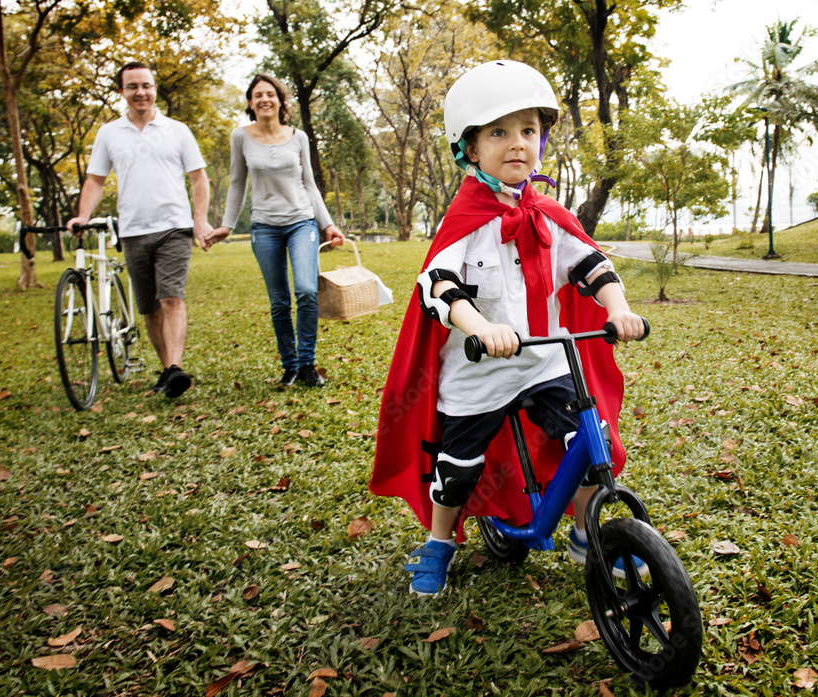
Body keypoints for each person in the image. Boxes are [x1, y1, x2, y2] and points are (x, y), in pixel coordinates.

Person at [369, 60, 647, 596]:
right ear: (470, 149)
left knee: (587, 443)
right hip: (479, 371)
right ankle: (440, 541)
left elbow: (590, 264)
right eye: (499, 132)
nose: (517, 142)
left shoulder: (546, 213)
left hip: (543, 360)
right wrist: (480, 325)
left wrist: (617, 307)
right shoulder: (465, 220)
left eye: (528, 130)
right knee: (457, 468)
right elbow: (438, 286)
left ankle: (589, 534)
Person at [69, 61, 211, 399]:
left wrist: (200, 219)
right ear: (122, 92)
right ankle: (167, 370)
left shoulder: (177, 130)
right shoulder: (109, 133)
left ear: (155, 89)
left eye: (145, 85)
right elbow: (95, 180)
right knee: (149, 308)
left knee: (171, 297)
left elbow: (199, 178)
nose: (140, 92)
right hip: (132, 230)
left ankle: (175, 367)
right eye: (132, 87)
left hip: (173, 227)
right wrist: (82, 215)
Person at [205, 73, 345, 388]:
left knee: (307, 291)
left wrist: (328, 224)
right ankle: (290, 366)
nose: (265, 99)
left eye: (270, 94)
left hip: (301, 222)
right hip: (264, 226)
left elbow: (309, 183)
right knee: (279, 300)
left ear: (280, 101)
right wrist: (226, 225)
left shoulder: (298, 137)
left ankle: (308, 364)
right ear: (250, 103)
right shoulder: (240, 137)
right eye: (258, 95)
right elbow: (237, 182)